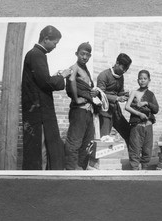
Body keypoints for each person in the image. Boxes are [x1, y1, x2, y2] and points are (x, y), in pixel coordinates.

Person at [21, 25, 72, 170]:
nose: (55, 47)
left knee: (41, 147)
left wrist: (55, 77)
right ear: (46, 39)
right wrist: (62, 76)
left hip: (36, 109)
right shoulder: (37, 54)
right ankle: (41, 177)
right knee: (41, 148)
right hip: (39, 112)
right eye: (55, 43)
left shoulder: (36, 53)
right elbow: (45, 83)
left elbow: (41, 80)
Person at [64, 42, 100, 170]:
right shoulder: (74, 67)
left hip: (88, 112)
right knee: (74, 143)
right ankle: (70, 171)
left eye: (87, 55)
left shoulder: (85, 70)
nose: (85, 57)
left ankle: (80, 170)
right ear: (77, 54)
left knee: (87, 143)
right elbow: (72, 80)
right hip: (79, 111)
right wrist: (76, 99)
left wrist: (93, 92)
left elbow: (88, 88)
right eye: (82, 54)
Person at [125, 70, 159, 170]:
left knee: (147, 150)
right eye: (140, 78)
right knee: (134, 150)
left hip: (148, 126)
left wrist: (147, 103)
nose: (142, 81)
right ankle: (135, 170)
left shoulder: (151, 95)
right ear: (137, 80)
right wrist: (139, 114)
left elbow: (156, 109)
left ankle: (144, 171)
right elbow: (127, 107)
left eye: (145, 79)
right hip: (137, 126)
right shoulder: (134, 92)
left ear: (149, 80)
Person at [97, 53, 132, 145]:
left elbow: (120, 92)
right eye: (123, 68)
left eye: (126, 69)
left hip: (116, 112)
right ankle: (102, 159)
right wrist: (117, 98)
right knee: (104, 139)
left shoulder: (121, 77)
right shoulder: (103, 75)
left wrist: (126, 95)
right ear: (117, 63)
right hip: (105, 112)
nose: (124, 71)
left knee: (128, 133)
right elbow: (100, 95)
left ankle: (134, 159)